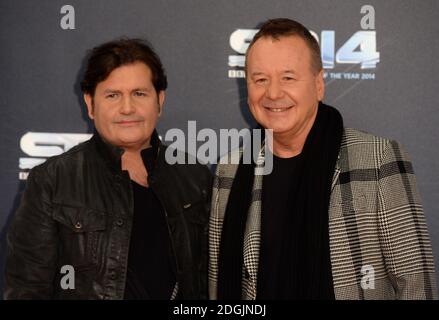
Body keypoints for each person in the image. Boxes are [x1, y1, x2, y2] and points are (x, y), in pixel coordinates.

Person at [209, 18, 437, 300]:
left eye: (288, 78)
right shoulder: (229, 172)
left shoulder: (378, 159)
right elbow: (218, 287)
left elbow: (416, 286)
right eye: (260, 80)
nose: (273, 93)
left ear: (318, 84)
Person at [4, 38, 212, 299]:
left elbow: (208, 285)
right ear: (90, 104)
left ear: (159, 100)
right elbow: (27, 289)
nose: (127, 108)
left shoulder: (194, 177)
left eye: (139, 93)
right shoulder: (52, 181)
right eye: (113, 95)